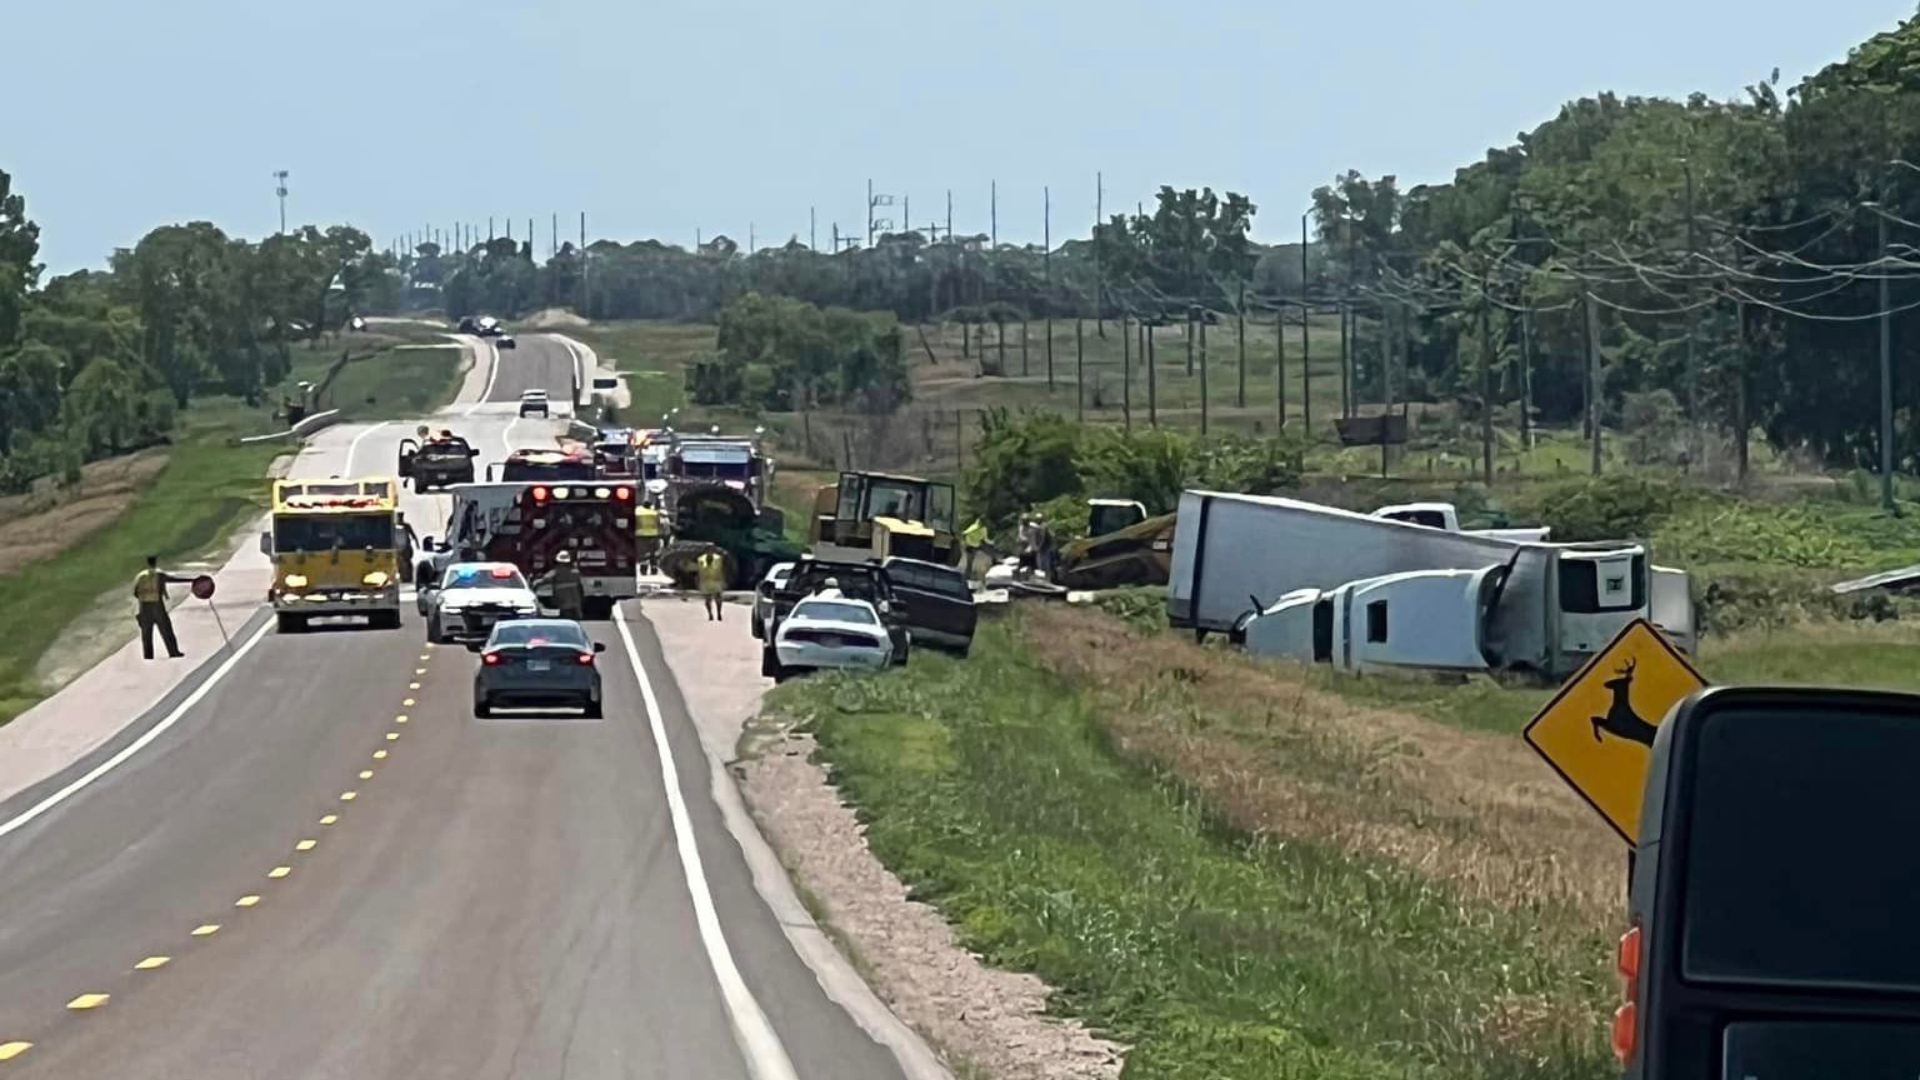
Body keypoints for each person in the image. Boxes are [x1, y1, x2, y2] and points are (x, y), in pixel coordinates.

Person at [132, 555, 190, 660]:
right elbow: (174, 580)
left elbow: (135, 593)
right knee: (167, 631)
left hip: (144, 608)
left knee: (146, 636)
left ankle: (148, 656)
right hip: (157, 607)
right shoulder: (159, 574)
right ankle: (173, 652)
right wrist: (193, 580)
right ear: (156, 563)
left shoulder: (140, 576)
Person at [548, 550, 585, 621]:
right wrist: (579, 610)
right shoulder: (575, 573)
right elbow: (579, 592)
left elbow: (543, 580)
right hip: (573, 606)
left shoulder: (556, 573)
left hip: (564, 606)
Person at [696, 545, 727, 621]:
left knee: (718, 598)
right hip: (705, 581)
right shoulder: (700, 559)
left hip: (716, 581)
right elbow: (699, 571)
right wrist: (698, 581)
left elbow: (721, 570)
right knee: (707, 599)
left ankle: (719, 613)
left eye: (711, 550)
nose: (710, 552)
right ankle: (710, 614)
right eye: (708, 550)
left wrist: (723, 581)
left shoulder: (718, 558)